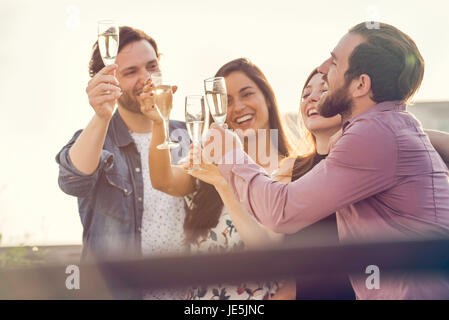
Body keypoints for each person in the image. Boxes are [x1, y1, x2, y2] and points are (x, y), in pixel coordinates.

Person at [204, 22, 449, 299]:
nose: (323, 69)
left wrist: (230, 153)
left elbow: (281, 210)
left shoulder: (373, 135)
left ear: (360, 84)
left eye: (334, 63)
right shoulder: (384, 128)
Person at [139, 58, 293, 299]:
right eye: (226, 101)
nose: (238, 107)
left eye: (247, 94)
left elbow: (272, 257)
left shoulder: (290, 172)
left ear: (268, 100)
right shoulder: (208, 166)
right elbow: (163, 180)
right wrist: (159, 123)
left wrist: (225, 185)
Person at [55, 26, 190, 299]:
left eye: (152, 66)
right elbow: (72, 181)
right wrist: (102, 115)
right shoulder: (96, 140)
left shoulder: (185, 134)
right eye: (131, 72)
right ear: (108, 80)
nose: (146, 78)